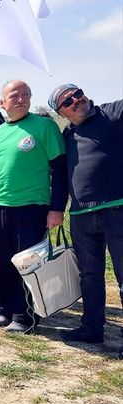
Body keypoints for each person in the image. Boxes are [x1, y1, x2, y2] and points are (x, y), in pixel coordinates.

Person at [0, 80, 67, 332]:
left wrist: (56, 208)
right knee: (2, 262)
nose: (21, 99)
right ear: (2, 103)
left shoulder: (44, 127)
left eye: (26, 94)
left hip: (32, 207)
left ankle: (26, 316)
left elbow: (60, 170)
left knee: (28, 264)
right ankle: (7, 309)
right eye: (14, 95)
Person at [50, 84, 123, 344]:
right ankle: (92, 328)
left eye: (77, 94)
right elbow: (59, 177)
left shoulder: (111, 113)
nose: (75, 101)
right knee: (89, 276)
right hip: (81, 214)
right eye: (67, 101)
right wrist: (56, 209)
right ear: (62, 111)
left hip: (116, 209)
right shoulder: (66, 135)